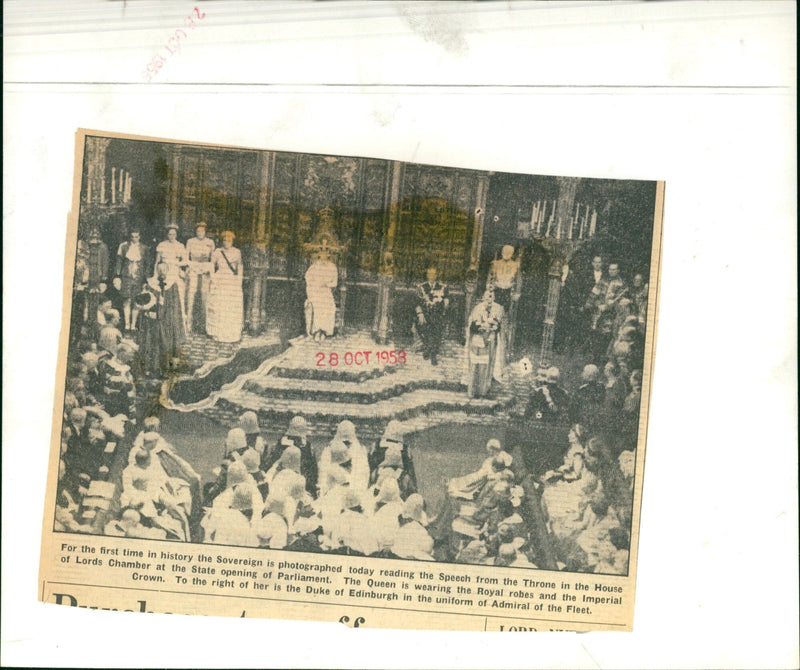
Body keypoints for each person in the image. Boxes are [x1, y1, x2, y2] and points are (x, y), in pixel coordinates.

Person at [137, 262, 186, 376]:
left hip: (166, 320)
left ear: (167, 270)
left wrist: (167, 316)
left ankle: (165, 368)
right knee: (152, 341)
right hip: (153, 319)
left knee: (165, 342)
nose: (162, 272)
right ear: (157, 270)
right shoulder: (151, 284)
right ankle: (150, 367)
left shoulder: (172, 285)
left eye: (164, 269)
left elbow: (175, 305)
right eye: (160, 269)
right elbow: (146, 301)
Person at [261, 416, 317, 496]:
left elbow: (270, 464)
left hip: (280, 484)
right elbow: (313, 473)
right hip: (298, 486)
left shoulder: (279, 444)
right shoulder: (308, 447)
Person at [465, 287, 505, 397]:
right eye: (487, 296)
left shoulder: (499, 309)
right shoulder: (477, 308)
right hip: (477, 341)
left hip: (490, 341)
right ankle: (472, 390)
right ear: (483, 297)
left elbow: (499, 327)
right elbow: (472, 326)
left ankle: (484, 390)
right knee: (475, 365)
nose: (489, 299)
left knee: (487, 366)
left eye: (492, 296)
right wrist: (481, 327)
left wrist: (493, 327)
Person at [207, 231, 243, 343]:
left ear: (232, 241)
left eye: (229, 241)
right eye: (224, 240)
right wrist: (213, 279)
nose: (226, 243)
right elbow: (211, 266)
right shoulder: (217, 252)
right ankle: (217, 332)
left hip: (231, 280)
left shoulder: (237, 252)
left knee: (230, 306)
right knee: (219, 305)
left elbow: (239, 266)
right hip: (219, 279)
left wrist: (239, 281)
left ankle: (231, 333)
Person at [114, 229, 149, 331]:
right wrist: (117, 275)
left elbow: (147, 264)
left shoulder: (144, 248)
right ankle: (127, 324)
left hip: (138, 278)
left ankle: (133, 325)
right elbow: (119, 262)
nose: (134, 239)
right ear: (130, 237)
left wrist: (146, 279)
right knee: (127, 300)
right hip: (126, 277)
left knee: (136, 302)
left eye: (136, 237)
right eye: (132, 236)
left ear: (140, 237)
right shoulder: (124, 246)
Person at [185, 222, 215, 334]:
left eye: (202, 231)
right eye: (198, 231)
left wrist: (208, 269)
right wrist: (192, 266)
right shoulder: (190, 242)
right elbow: (186, 257)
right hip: (193, 269)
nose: (200, 233)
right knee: (190, 296)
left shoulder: (210, 242)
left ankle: (205, 326)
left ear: (205, 232)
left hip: (205, 271)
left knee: (205, 298)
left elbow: (212, 259)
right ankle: (188, 325)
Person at [415, 267, 449, 365]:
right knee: (424, 328)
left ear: (436, 275)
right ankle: (428, 348)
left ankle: (432, 353)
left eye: (434, 274)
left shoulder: (442, 287)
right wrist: (420, 314)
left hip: (437, 315)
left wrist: (444, 308)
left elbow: (446, 301)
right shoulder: (421, 287)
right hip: (424, 314)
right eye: (429, 274)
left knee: (436, 330)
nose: (431, 276)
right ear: (427, 275)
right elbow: (417, 302)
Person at [304, 248, 338, 342]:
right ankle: (317, 331)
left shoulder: (332, 267)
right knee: (317, 306)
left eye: (325, 255)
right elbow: (307, 278)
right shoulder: (314, 267)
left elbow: (335, 283)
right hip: (315, 292)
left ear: (328, 256)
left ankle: (324, 331)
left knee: (328, 307)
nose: (323, 257)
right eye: (321, 255)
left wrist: (326, 284)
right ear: (319, 256)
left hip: (326, 292)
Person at [154, 224, 188, 315]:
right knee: (163, 294)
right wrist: (155, 275)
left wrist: (176, 263)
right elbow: (157, 261)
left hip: (175, 271)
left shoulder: (180, 245)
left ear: (176, 235)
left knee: (178, 293)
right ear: (167, 235)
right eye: (170, 234)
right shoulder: (162, 245)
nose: (172, 236)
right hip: (164, 271)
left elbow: (185, 261)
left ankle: (178, 316)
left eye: (174, 234)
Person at [569, 364, 605, 430]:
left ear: (587, 375)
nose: (582, 373)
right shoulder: (602, 388)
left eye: (584, 372)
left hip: (584, 424)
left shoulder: (582, 390)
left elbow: (574, 408)